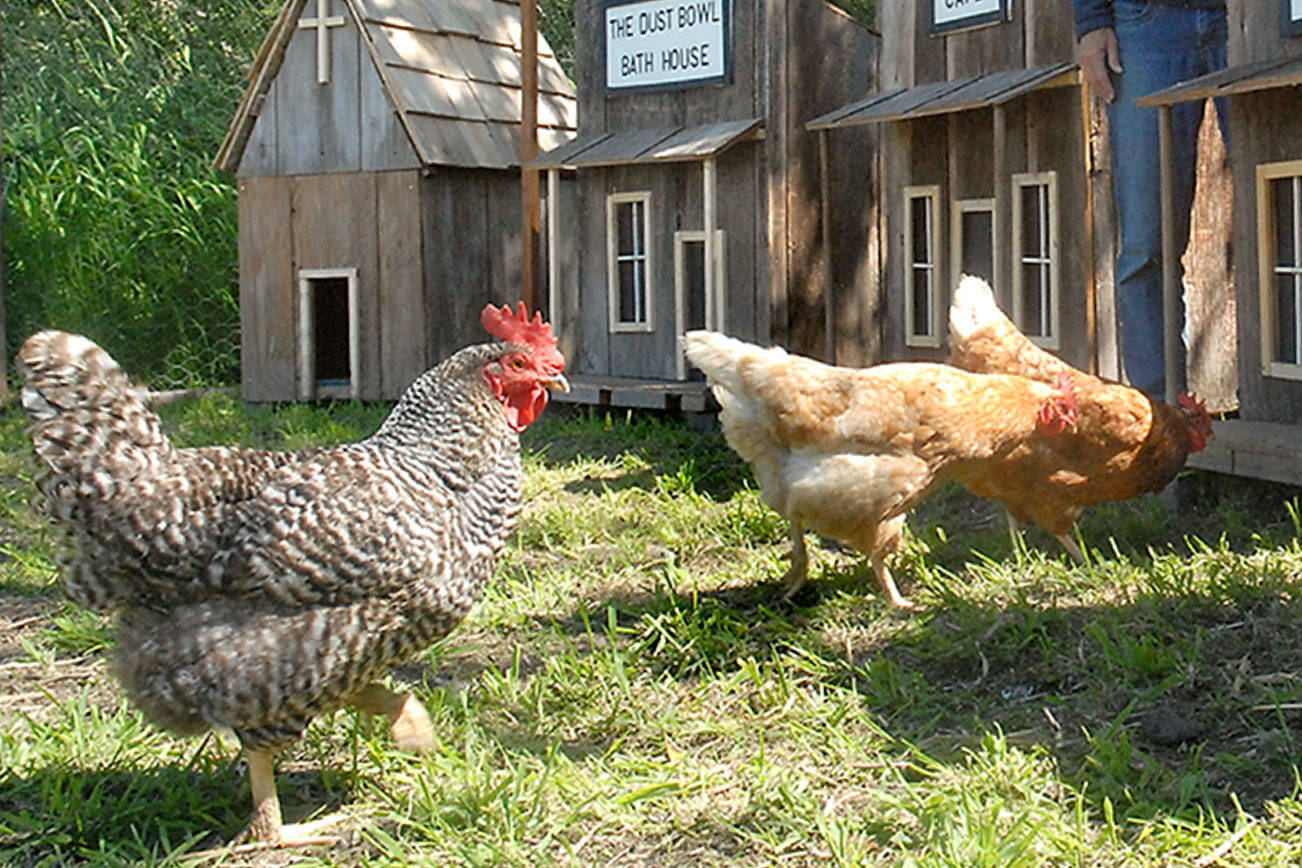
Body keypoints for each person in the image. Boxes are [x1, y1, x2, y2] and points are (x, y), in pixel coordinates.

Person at [1073, 0, 1227, 399]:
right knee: (1146, 241)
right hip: (1145, 22)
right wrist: (1091, 20)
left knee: (1280, 195)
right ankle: (1159, 415)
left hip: (1256, 14)